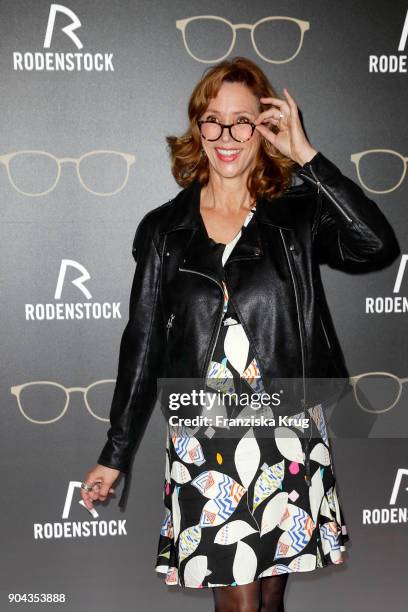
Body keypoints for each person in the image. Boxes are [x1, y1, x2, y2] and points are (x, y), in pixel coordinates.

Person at [80, 57, 400, 610]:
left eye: (243, 121)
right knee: (241, 604)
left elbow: (377, 243)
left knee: (270, 602)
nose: (226, 137)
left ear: (266, 126)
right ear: (197, 126)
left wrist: (308, 158)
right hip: (206, 444)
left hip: (288, 435)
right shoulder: (164, 230)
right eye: (213, 120)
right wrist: (116, 452)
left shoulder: (295, 214)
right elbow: (143, 344)